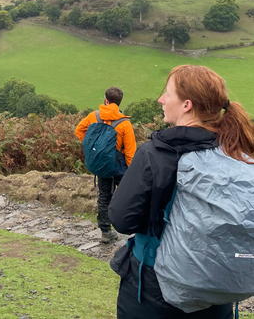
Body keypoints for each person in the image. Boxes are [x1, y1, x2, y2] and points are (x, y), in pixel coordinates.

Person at [109, 65, 254, 319]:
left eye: (167, 93)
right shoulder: (236, 153)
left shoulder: (154, 154)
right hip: (218, 290)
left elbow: (122, 219)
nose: (161, 99)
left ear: (187, 104)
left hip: (157, 287)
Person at [75, 86, 136, 243]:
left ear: (106, 100)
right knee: (127, 196)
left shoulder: (93, 116)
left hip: (102, 164)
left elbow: (79, 131)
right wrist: (132, 172)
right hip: (120, 166)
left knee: (104, 196)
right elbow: (130, 152)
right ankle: (131, 229)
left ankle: (106, 232)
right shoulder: (124, 123)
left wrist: (93, 149)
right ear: (119, 102)